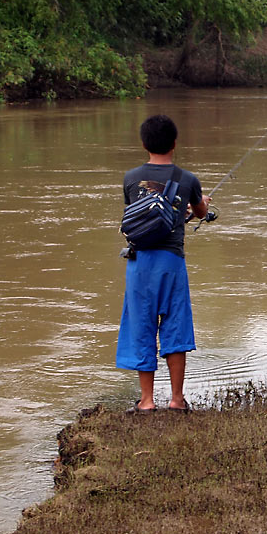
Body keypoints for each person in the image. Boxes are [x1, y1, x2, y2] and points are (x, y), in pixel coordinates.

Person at [117, 114, 210, 413]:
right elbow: (200, 211)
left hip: (140, 263)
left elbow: (137, 216)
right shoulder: (188, 179)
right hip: (171, 262)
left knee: (141, 326)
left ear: (144, 143)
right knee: (175, 327)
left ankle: (146, 401)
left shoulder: (131, 179)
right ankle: (177, 399)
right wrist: (202, 202)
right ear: (174, 143)